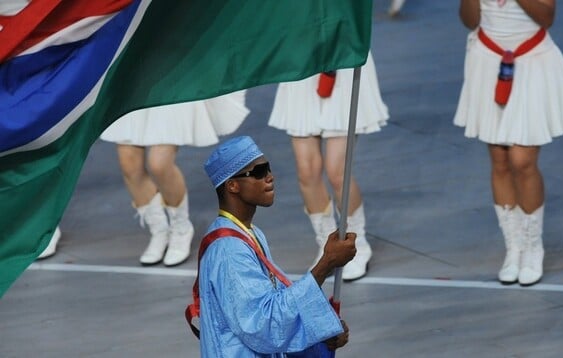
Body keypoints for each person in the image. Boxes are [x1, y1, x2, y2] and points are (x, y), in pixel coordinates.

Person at [454, 0, 563, 286]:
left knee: (523, 161)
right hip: (487, 59)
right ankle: (513, 247)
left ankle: (533, 246)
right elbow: (469, 20)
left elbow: (546, 16)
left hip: (530, 60)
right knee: (500, 161)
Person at [200, 135, 356, 357]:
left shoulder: (251, 233)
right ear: (232, 185)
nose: (270, 177)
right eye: (258, 172)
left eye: (268, 168)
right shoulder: (228, 250)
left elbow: (276, 300)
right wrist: (326, 264)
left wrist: (322, 331)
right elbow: (263, 325)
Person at [268, 52, 389, 281]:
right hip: (302, 66)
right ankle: (327, 244)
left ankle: (355, 244)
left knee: (337, 172)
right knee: (307, 172)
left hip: (342, 61)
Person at [101, 92, 249, 266]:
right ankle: (159, 230)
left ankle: (181, 228)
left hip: (170, 81)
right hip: (134, 79)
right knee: (129, 165)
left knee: (159, 164)